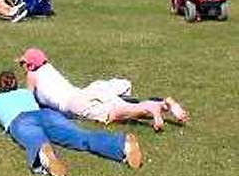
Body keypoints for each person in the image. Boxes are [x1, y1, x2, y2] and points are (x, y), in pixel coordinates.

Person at [0, 70, 142, 176]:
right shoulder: (25, 93)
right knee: (81, 137)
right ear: (15, 84)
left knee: (33, 138)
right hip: (46, 114)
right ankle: (122, 144)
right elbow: (31, 84)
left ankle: (43, 153)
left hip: (20, 120)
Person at [18, 48, 188, 132]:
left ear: (31, 65)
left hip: (75, 103)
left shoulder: (32, 75)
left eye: (23, 63)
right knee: (122, 107)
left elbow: (28, 100)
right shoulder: (49, 69)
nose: (22, 66)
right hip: (89, 91)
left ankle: (150, 107)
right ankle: (164, 104)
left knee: (112, 115)